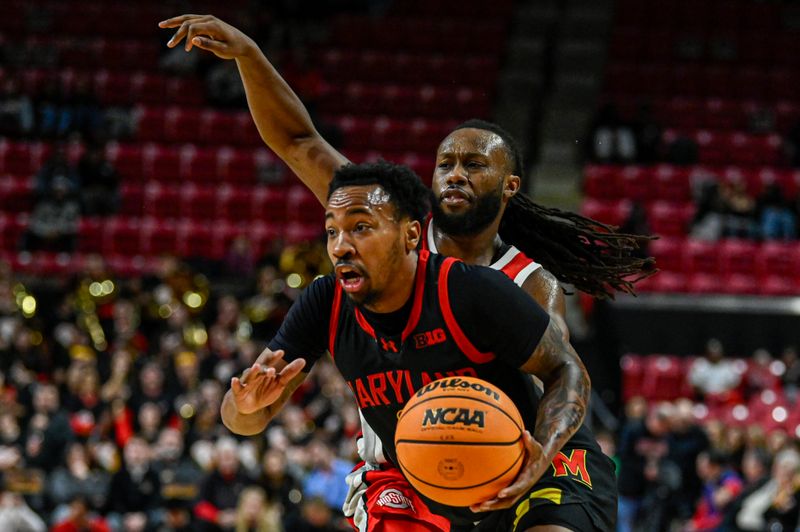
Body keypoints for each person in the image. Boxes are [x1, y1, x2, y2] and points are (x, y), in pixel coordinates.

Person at [219, 161, 617, 531]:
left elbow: (567, 369)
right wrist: (245, 406)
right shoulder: (325, 302)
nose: (340, 246)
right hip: (426, 474)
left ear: (411, 234)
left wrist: (542, 451)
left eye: (360, 227)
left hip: (535, 457)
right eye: (332, 231)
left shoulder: (468, 291)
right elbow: (242, 420)